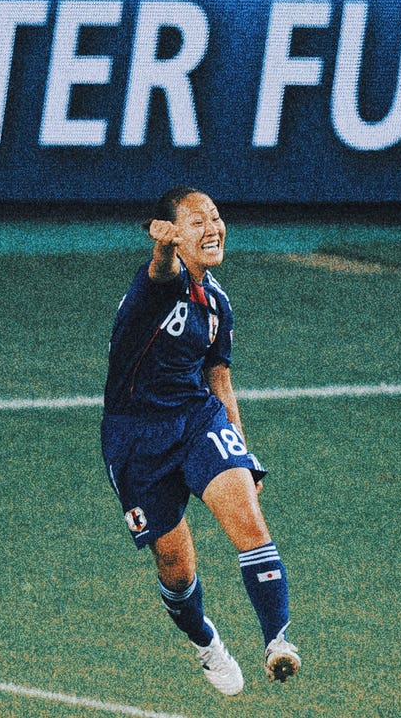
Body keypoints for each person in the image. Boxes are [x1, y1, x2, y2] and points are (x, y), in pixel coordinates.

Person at [101, 186, 299, 696]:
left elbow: (220, 380)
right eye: (196, 222)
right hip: (136, 440)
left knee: (250, 524)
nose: (212, 227)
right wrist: (162, 247)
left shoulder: (217, 305)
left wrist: (242, 450)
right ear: (174, 234)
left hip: (196, 421)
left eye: (215, 217)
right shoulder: (157, 288)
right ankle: (206, 642)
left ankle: (278, 642)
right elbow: (161, 269)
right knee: (174, 566)